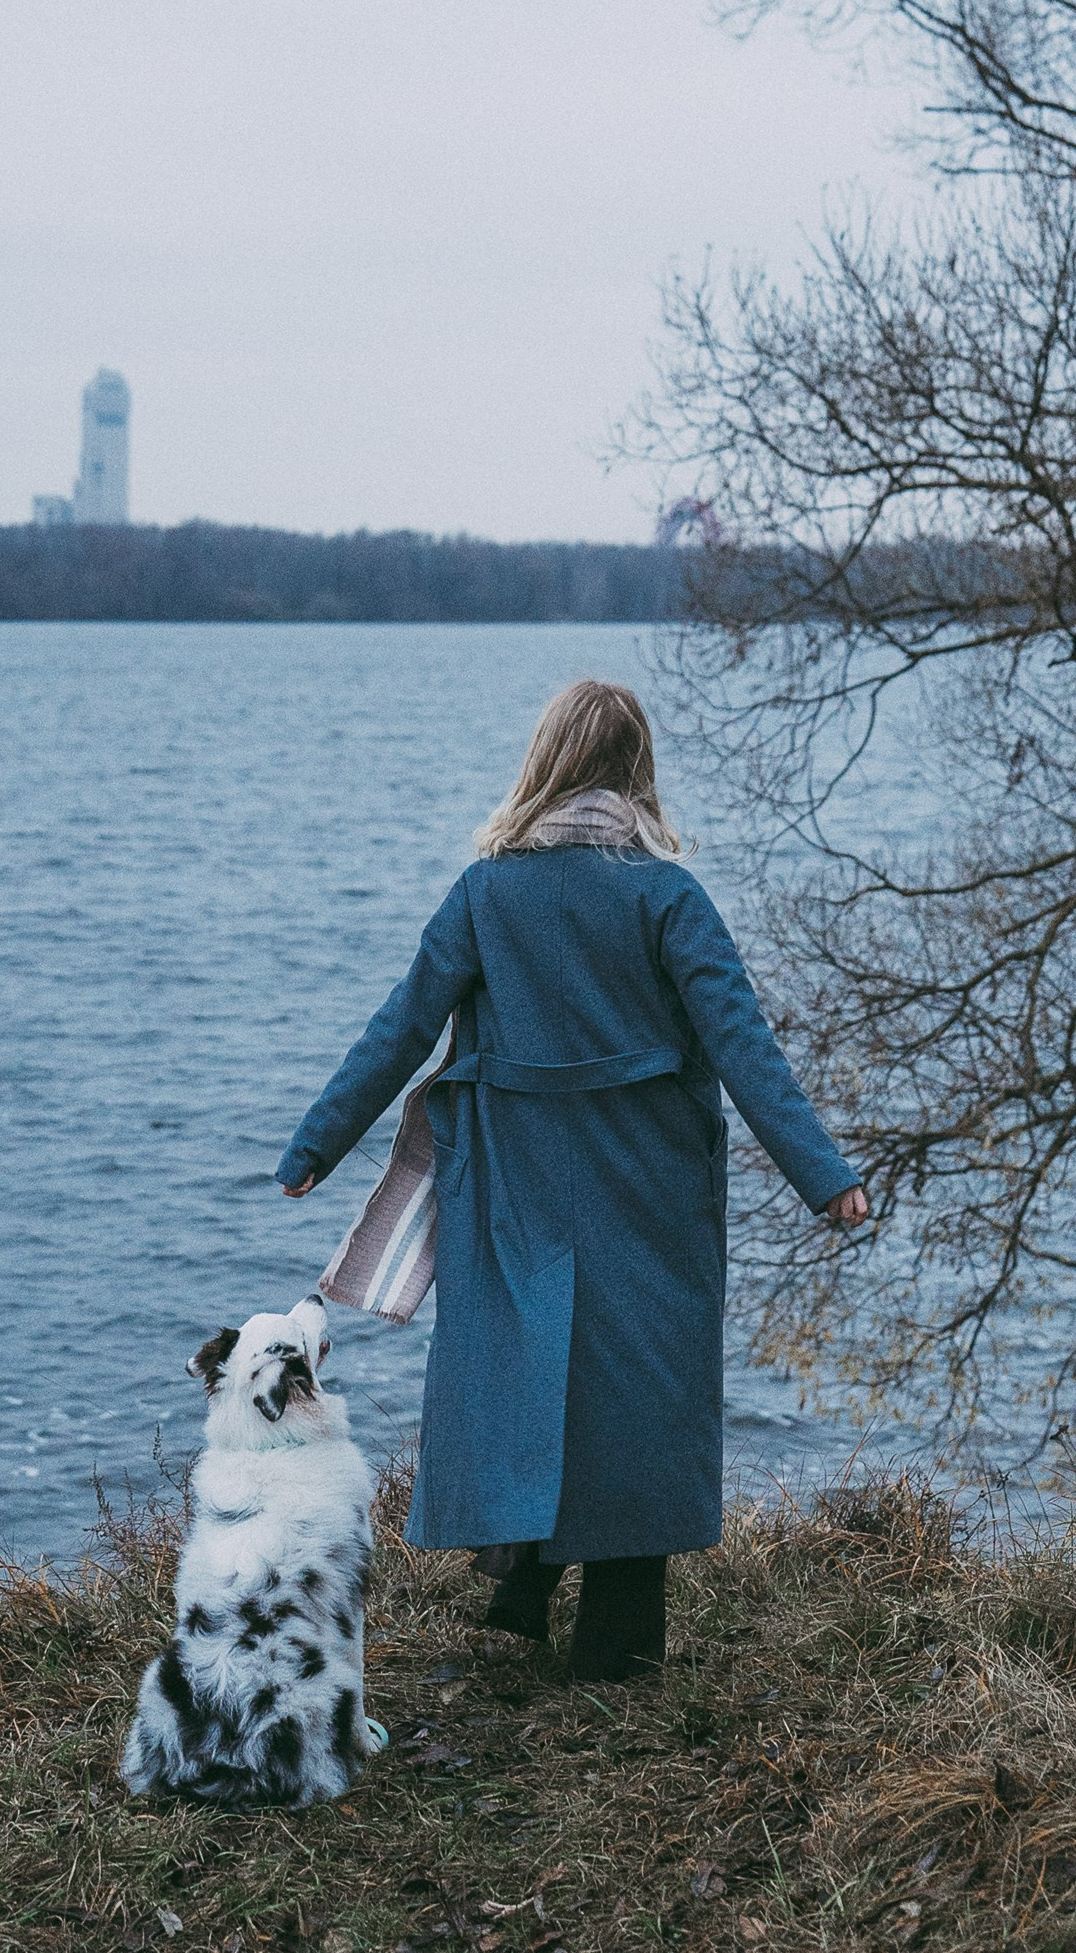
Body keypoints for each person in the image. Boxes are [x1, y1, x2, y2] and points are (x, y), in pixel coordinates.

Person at [276, 678, 868, 1680]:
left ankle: (516, 1591)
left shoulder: (483, 891)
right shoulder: (665, 894)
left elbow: (401, 1026)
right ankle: (614, 1648)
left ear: (542, 763)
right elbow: (741, 1045)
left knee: (524, 1378)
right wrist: (825, 1178)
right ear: (636, 771)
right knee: (635, 1391)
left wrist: (314, 1149)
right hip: (646, 1185)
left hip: (514, 1185)